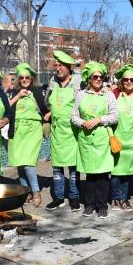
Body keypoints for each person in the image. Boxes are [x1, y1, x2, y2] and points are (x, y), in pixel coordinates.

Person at [71, 61, 119, 218]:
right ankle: (89, 204)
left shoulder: (109, 95)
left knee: (103, 175)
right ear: (89, 79)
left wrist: (99, 119)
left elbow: (114, 116)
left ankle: (102, 205)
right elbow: (73, 117)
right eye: (95, 76)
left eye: (101, 76)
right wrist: (83, 123)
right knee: (90, 175)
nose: (99, 79)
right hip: (86, 139)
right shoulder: (81, 95)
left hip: (102, 140)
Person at [45, 51, 82, 211]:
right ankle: (59, 198)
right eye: (56, 65)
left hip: (73, 133)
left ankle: (74, 197)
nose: (57, 68)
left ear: (68, 67)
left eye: (60, 66)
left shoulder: (78, 82)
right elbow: (48, 101)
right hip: (57, 132)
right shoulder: (53, 82)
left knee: (73, 169)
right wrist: (51, 112)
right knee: (57, 168)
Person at [7, 63, 48, 207]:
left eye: (27, 77)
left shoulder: (36, 92)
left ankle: (36, 192)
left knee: (28, 164)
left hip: (32, 129)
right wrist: (18, 96)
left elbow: (45, 110)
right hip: (17, 130)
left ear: (32, 78)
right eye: (22, 77)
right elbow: (6, 108)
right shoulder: (13, 92)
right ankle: (26, 192)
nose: (25, 80)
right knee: (20, 164)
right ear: (18, 79)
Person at [111, 64, 133, 212]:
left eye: (132, 79)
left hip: (132, 141)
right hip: (117, 138)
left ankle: (123, 199)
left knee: (127, 173)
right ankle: (114, 198)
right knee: (115, 172)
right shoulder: (114, 95)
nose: (129, 82)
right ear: (121, 81)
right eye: (126, 79)